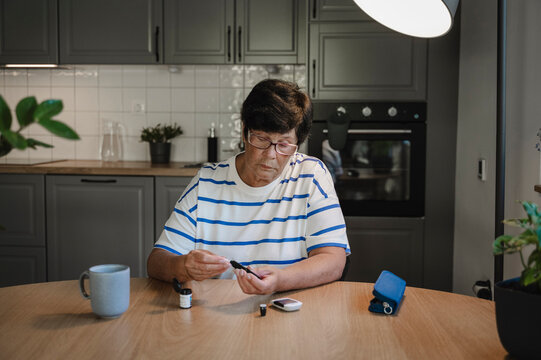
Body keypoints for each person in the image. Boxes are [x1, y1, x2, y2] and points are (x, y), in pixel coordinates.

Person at [147, 79, 350, 295]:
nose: (271, 155)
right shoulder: (206, 182)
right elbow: (157, 261)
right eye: (261, 139)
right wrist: (184, 266)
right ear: (244, 132)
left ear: (297, 143)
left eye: (283, 144)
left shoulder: (311, 176)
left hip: (290, 315)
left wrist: (280, 280)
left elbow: (334, 261)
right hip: (216, 318)